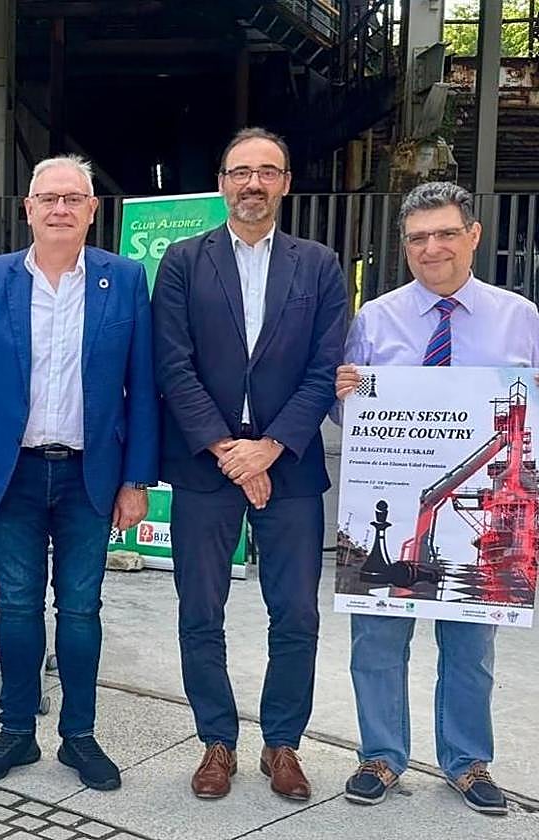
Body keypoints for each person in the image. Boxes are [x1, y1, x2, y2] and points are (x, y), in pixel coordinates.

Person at [0, 154, 158, 791]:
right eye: (48, 198)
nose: (60, 209)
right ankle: (16, 731)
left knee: (82, 609)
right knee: (15, 607)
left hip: (90, 477)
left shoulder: (124, 280)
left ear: (93, 210)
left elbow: (142, 386)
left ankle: (80, 735)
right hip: (11, 474)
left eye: (74, 198)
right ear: (28, 208)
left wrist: (136, 478)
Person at [151, 127, 347, 801]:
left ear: (285, 183)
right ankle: (216, 741)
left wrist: (269, 447)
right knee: (200, 610)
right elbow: (172, 366)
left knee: (296, 612)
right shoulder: (182, 261)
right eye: (240, 172)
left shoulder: (319, 265)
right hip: (207, 464)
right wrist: (227, 449)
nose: (253, 184)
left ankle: (282, 744)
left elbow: (325, 370)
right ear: (222, 181)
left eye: (267, 172)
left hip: (288, 465)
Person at [335, 181, 539, 816]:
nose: (433, 248)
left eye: (447, 233)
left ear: (473, 235)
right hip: (397, 495)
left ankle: (467, 761)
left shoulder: (521, 317)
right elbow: (352, 423)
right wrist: (348, 395)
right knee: (375, 641)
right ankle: (381, 755)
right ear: (404, 246)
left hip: (482, 501)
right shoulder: (375, 318)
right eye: (419, 238)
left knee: (471, 646)